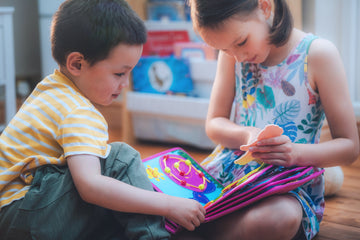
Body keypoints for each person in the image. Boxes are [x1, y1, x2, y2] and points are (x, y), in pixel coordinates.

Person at [0, 0, 205, 239]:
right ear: (77, 63)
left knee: (116, 212)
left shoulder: (50, 90)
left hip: (17, 215)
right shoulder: (77, 110)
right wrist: (167, 204)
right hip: (27, 213)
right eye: (119, 73)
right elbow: (91, 187)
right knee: (120, 158)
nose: (125, 83)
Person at [175, 0, 359, 239]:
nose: (238, 57)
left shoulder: (318, 55)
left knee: (281, 217)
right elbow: (214, 123)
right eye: (226, 49)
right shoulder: (231, 55)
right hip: (232, 177)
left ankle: (194, 227)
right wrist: (246, 134)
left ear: (264, 6)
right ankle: (199, 223)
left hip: (286, 186)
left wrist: (294, 153)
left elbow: (350, 147)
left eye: (241, 43)